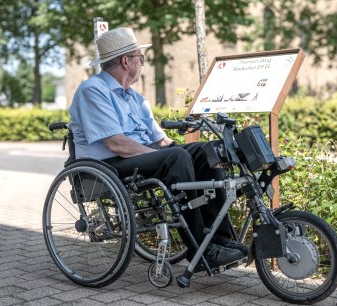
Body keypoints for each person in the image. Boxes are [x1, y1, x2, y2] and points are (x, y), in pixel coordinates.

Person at [69, 27, 247, 268]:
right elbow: (116, 143)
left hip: (136, 157)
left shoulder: (134, 98)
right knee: (175, 158)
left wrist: (187, 151)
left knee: (207, 152)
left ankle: (221, 240)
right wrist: (167, 155)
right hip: (109, 164)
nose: (142, 64)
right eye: (140, 59)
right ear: (126, 61)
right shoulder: (93, 90)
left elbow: (161, 141)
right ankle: (201, 250)